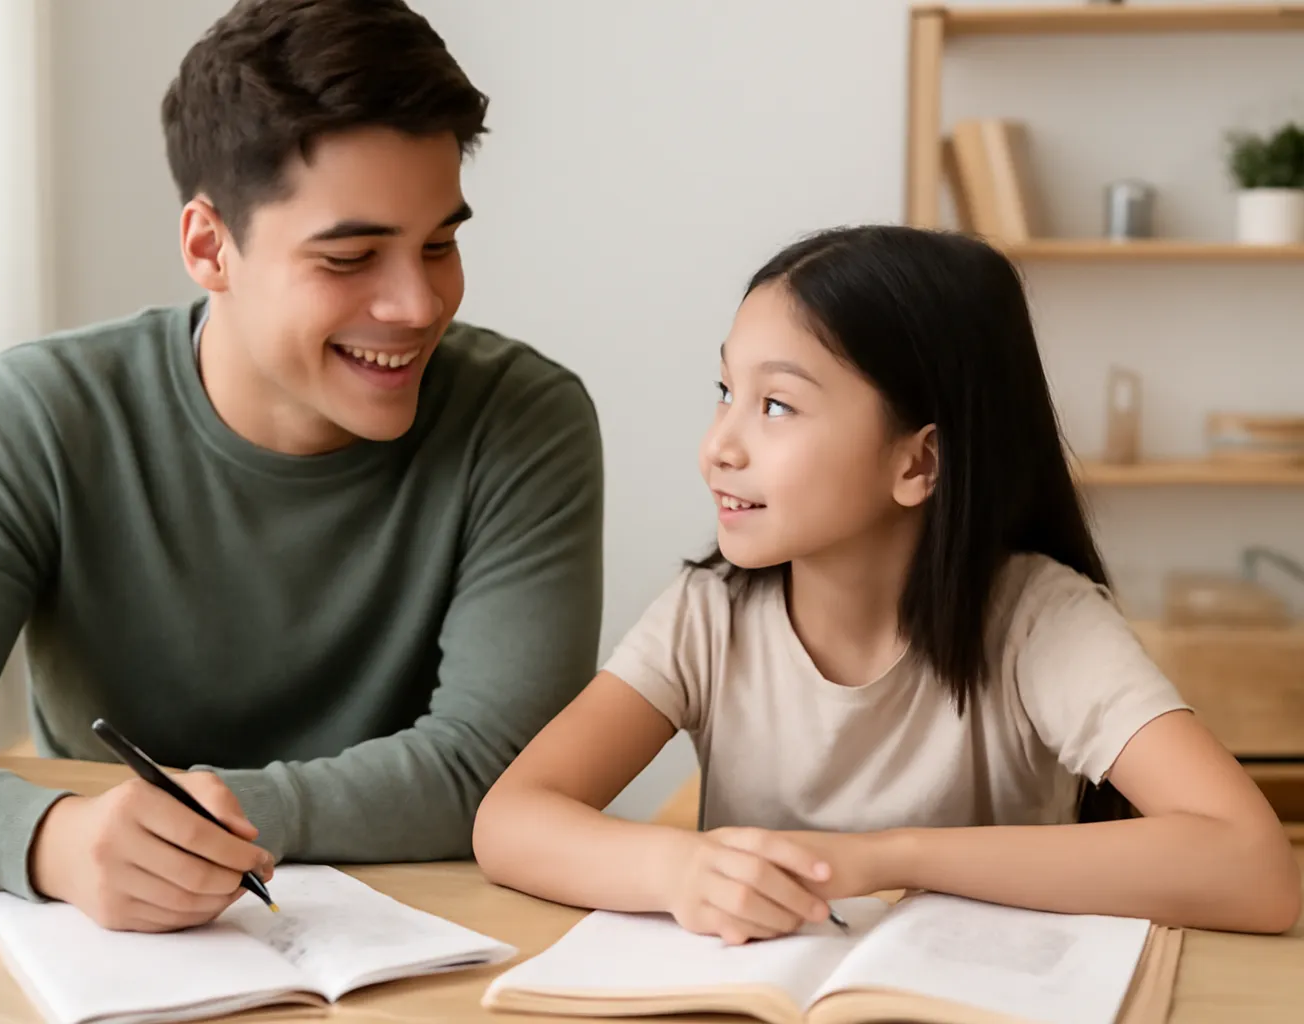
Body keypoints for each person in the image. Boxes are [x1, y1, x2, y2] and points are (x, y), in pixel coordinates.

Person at [0, 0, 604, 934]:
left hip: (419, 947)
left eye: (440, 245)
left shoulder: (524, 421)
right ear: (210, 245)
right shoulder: (43, 416)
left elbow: (498, 771)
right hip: (104, 948)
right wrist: (53, 836)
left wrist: (194, 823)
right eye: (353, 256)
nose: (417, 303)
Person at [473, 224, 1301, 940]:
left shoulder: (1037, 620)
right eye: (726, 391)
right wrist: (675, 871)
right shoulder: (706, 615)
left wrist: (887, 856)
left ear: (919, 461)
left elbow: (1253, 867)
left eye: (777, 406)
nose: (719, 445)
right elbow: (511, 820)